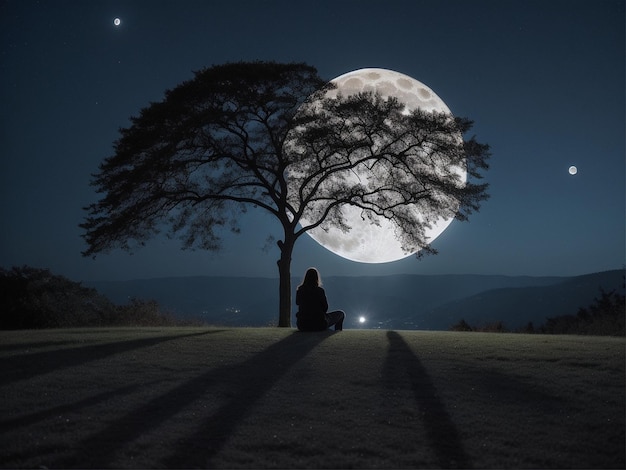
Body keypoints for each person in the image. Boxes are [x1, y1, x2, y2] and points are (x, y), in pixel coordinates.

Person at [296, 267, 345, 331]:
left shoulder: (300, 290)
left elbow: (297, 302)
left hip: (302, 325)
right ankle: (337, 331)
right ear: (316, 278)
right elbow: (325, 308)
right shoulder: (320, 291)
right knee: (341, 314)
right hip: (319, 324)